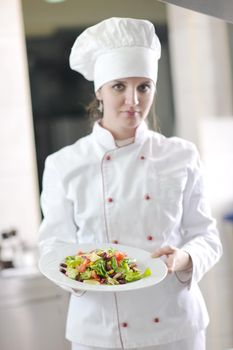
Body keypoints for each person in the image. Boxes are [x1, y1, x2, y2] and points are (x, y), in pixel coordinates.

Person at [38, 17, 222, 350]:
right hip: (100, 331)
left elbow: (206, 236)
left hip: (174, 326)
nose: (133, 100)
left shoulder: (181, 155)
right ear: (99, 91)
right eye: (119, 86)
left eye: (144, 86)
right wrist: (82, 274)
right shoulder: (64, 164)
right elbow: (53, 247)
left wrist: (185, 258)